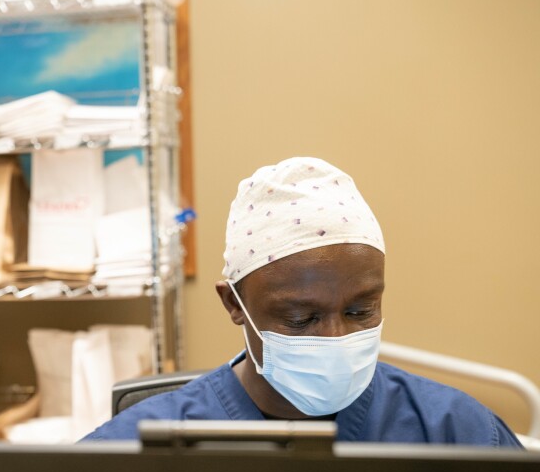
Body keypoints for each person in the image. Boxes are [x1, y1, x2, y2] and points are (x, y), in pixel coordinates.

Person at [83, 156, 522, 446]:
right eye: (301, 318)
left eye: (360, 311)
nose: (336, 337)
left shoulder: (456, 432)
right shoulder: (140, 447)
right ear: (233, 304)